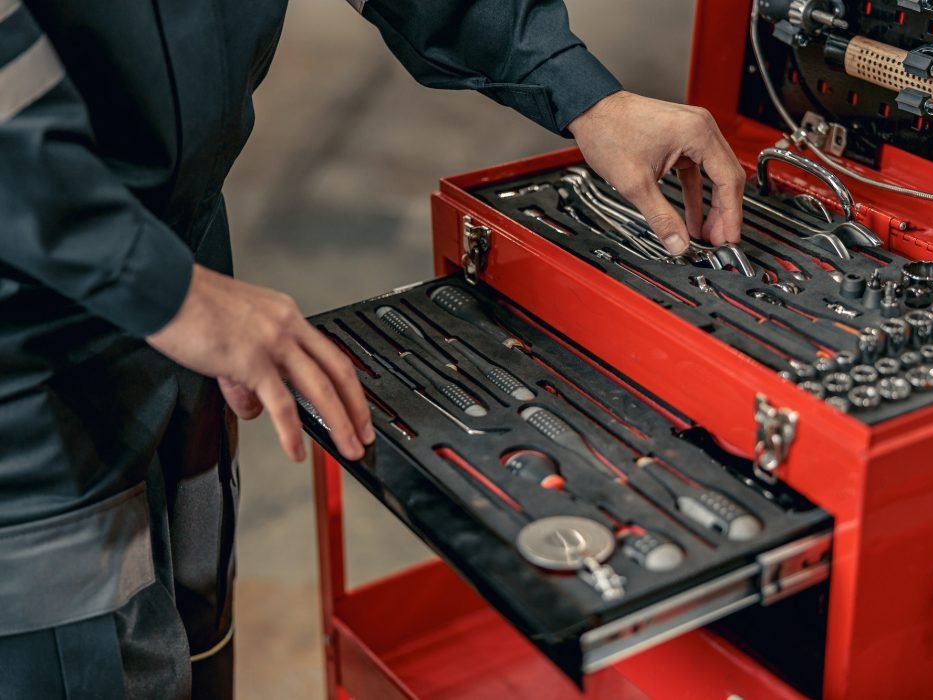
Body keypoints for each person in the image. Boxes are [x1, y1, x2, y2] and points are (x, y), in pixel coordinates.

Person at [0, 1, 745, 697]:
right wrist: (156, 286)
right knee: (82, 654)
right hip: (28, 356)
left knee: (189, 638)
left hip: (179, 270)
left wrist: (580, 89)